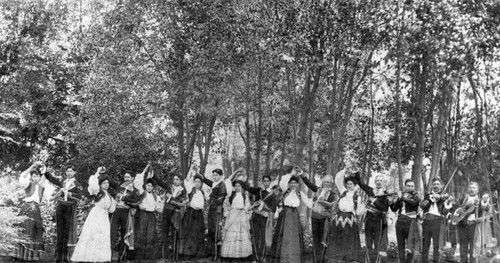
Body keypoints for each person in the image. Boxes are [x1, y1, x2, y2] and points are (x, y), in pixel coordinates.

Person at [71, 167, 116, 262]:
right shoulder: (98, 192)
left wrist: (115, 203)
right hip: (96, 215)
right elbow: (92, 182)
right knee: (93, 234)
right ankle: (88, 257)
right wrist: (97, 172)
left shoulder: (110, 196)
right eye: (104, 183)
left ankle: (100, 257)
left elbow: (111, 210)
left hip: (104, 217)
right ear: (100, 184)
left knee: (102, 235)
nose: (106, 185)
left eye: (107, 183)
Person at [270, 166, 312, 263]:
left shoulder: (299, 193)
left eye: (295, 183)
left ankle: (293, 259)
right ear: (289, 184)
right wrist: (293, 173)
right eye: (291, 183)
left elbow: (309, 202)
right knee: (284, 235)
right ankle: (283, 258)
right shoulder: (286, 191)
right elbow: (283, 181)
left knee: (294, 237)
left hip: (294, 216)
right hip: (285, 215)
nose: (293, 184)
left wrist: (317, 200)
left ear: (297, 184)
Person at [43, 164, 83, 263]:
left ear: (74, 172)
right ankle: (58, 256)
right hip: (60, 207)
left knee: (67, 232)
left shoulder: (77, 184)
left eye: (71, 171)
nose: (69, 173)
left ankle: (65, 256)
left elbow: (79, 196)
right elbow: (52, 178)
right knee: (59, 231)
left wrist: (69, 194)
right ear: (66, 172)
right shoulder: (63, 182)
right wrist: (44, 171)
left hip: (70, 207)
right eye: (67, 171)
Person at [324, 168, 362, 262]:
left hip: (349, 219)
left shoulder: (357, 196)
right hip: (339, 217)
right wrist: (345, 169)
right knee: (338, 238)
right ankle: (337, 257)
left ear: (355, 185)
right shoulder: (343, 192)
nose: (349, 186)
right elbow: (337, 179)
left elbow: (358, 211)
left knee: (348, 238)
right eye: (348, 184)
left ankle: (348, 258)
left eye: (351, 184)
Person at [299, 172, 337, 263]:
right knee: (315, 239)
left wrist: (322, 201)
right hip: (314, 217)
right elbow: (309, 184)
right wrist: (302, 175)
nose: (326, 184)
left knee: (323, 240)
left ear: (331, 183)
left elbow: (331, 206)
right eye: (325, 182)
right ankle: (315, 260)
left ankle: (322, 260)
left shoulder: (333, 194)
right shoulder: (318, 190)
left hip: (324, 220)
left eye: (328, 182)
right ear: (322, 182)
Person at [11, 163, 46, 261]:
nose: (35, 178)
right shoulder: (27, 184)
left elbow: (44, 173)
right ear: (31, 177)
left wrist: (42, 167)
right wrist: (34, 165)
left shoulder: (42, 187)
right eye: (34, 176)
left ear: (39, 177)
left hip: (36, 211)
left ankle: (31, 256)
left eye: (37, 176)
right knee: (25, 231)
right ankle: (19, 256)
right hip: (26, 209)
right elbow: (23, 176)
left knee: (35, 231)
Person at [241, 175, 279, 262]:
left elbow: (273, 209)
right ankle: (255, 257)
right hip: (255, 216)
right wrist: (241, 180)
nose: (265, 183)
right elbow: (248, 188)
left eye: (267, 181)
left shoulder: (272, 195)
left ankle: (262, 257)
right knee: (255, 236)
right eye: (264, 181)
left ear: (270, 182)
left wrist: (264, 206)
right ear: (262, 181)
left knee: (263, 237)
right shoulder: (258, 190)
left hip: (265, 217)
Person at [150, 171, 186, 259]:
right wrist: (153, 173)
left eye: (177, 179)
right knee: (164, 233)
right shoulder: (169, 187)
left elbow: (181, 203)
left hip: (175, 214)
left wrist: (170, 199)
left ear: (181, 181)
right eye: (174, 179)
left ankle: (175, 256)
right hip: (166, 212)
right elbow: (160, 182)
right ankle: (164, 255)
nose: (175, 181)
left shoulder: (183, 191)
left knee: (175, 234)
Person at [108, 169, 142, 260]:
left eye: (128, 177)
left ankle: (121, 256)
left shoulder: (135, 191)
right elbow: (110, 182)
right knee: (112, 232)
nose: (126, 179)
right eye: (125, 177)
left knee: (124, 233)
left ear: (132, 178)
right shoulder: (120, 187)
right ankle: (109, 255)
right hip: (116, 211)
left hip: (126, 212)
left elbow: (136, 202)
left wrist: (124, 198)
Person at [357, 174, 390, 261]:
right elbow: (361, 184)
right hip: (368, 219)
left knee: (377, 243)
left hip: (379, 220)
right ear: (375, 182)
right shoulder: (371, 191)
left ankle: (376, 261)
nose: (379, 182)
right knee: (368, 242)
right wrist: (356, 173)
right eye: (377, 180)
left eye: (381, 180)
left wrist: (374, 201)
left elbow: (384, 208)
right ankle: (367, 261)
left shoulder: (386, 194)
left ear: (383, 182)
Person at [420, 177, 452, 263]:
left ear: (441, 186)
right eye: (434, 184)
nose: (436, 186)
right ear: (432, 186)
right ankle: (424, 261)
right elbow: (422, 206)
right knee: (425, 243)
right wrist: (431, 199)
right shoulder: (428, 195)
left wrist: (446, 201)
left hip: (438, 221)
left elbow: (444, 212)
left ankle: (435, 261)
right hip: (426, 221)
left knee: (436, 244)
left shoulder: (444, 197)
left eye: (438, 184)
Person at [389, 179, 421, 263]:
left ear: (414, 187)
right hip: (400, 221)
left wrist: (401, 198)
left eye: (412, 186)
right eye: (408, 186)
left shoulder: (416, 195)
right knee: (400, 245)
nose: (410, 188)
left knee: (410, 245)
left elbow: (414, 203)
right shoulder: (402, 195)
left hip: (410, 222)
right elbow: (394, 209)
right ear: (405, 186)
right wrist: (391, 202)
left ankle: (409, 261)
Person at [220, 180, 253, 260]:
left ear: (241, 187)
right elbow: (226, 204)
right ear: (234, 187)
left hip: (241, 216)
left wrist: (245, 211)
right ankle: (231, 254)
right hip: (233, 215)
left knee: (241, 234)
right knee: (231, 234)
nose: (237, 187)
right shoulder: (231, 195)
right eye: (236, 186)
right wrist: (228, 210)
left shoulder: (245, 195)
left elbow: (247, 205)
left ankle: (242, 254)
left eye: (239, 186)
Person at [201, 168, 228, 259]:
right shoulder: (215, 184)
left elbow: (220, 199)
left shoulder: (222, 185)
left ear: (221, 176)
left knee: (216, 230)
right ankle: (210, 251)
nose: (214, 177)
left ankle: (216, 253)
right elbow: (207, 181)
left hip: (218, 210)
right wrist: (202, 176)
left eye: (216, 175)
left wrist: (211, 197)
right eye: (214, 175)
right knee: (211, 229)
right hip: (212, 209)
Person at [133, 169, 161, 260]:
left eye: (151, 186)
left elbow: (158, 207)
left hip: (151, 216)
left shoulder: (155, 196)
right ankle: (140, 255)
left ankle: (150, 255)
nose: (149, 187)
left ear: (153, 188)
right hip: (142, 215)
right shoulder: (142, 192)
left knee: (151, 234)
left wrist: (159, 209)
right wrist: (145, 170)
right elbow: (137, 182)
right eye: (148, 185)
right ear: (145, 186)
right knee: (141, 233)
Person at [453, 182, 482, 263]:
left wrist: (481, 218)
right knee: (463, 247)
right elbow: (457, 211)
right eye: (470, 187)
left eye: (474, 187)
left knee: (474, 247)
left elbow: (484, 214)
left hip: (474, 225)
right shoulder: (462, 199)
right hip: (463, 225)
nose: (471, 189)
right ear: (467, 189)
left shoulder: (481, 201)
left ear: (477, 190)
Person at [179, 172, 206, 259]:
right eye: (196, 181)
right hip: (191, 213)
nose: (197, 183)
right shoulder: (191, 189)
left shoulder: (202, 192)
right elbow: (186, 180)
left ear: (201, 183)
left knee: (198, 232)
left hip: (199, 214)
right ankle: (187, 253)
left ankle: (197, 253)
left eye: (199, 182)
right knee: (189, 232)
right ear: (194, 182)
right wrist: (191, 169)